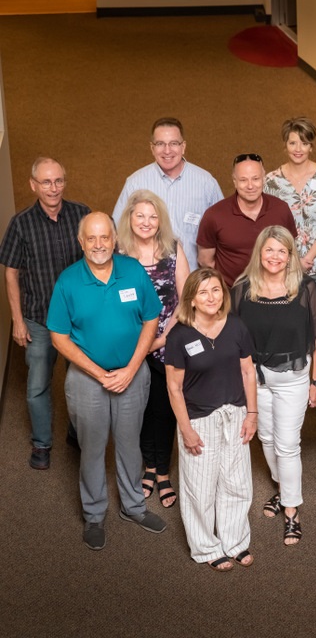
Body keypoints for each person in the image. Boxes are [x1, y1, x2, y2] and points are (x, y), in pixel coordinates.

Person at [47, 212, 167, 550]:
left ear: (114, 240)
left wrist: (131, 367)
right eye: (91, 238)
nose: (99, 245)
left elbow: (151, 318)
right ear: (81, 242)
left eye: (105, 238)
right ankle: (94, 514)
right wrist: (100, 374)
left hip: (131, 373)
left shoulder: (132, 271)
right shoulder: (68, 281)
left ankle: (133, 507)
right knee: (92, 447)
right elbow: (59, 337)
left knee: (130, 443)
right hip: (88, 379)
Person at [231, 226, 316, 546]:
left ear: (291, 256)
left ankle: (291, 509)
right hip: (255, 378)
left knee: (287, 444)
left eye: (282, 251)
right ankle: (282, 489)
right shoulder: (243, 288)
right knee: (267, 439)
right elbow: (231, 335)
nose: (274, 257)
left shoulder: (305, 288)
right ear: (260, 252)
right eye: (269, 250)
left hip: (293, 379)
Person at [165, 268, 258, 571]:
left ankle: (235, 542)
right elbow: (174, 387)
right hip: (198, 419)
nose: (211, 297)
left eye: (216, 290)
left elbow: (248, 372)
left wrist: (252, 414)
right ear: (191, 299)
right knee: (200, 488)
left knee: (237, 482)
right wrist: (186, 429)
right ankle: (205, 546)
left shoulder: (236, 326)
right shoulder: (179, 335)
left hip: (235, 413)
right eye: (203, 292)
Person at [0, 157, 90, 469]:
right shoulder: (21, 224)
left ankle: (77, 433)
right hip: (37, 319)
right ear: (33, 185)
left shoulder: (82, 215)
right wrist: (17, 320)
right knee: (37, 384)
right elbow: (10, 272)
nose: (53, 188)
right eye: (46, 182)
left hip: (77, 320)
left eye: (58, 181)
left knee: (80, 381)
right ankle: (41, 443)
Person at [117, 189, 190, 508]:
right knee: (140, 410)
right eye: (140, 216)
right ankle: (148, 467)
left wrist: (160, 340)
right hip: (131, 346)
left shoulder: (173, 248)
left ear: (160, 220)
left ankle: (163, 471)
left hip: (166, 342)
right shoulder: (119, 254)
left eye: (152, 216)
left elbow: (186, 300)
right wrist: (139, 344)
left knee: (165, 408)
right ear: (129, 219)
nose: (146, 222)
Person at [112, 117, 224, 270]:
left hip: (193, 283)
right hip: (145, 281)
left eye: (174, 143)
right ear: (152, 148)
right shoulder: (135, 183)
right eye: (160, 144)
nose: (167, 150)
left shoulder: (206, 184)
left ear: (183, 146)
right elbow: (116, 232)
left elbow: (223, 233)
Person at [264, 117, 316, 288]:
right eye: (293, 143)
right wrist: (292, 260)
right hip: (281, 266)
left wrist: (307, 259)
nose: (298, 149)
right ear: (285, 146)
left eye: (304, 143)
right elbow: (269, 227)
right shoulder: (271, 182)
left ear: (311, 146)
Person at [197, 153, 296, 287]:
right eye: (243, 180)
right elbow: (205, 261)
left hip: (274, 293)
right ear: (234, 181)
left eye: (255, 178)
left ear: (264, 178)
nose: (250, 186)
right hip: (231, 296)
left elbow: (290, 252)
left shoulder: (281, 209)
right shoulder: (214, 215)